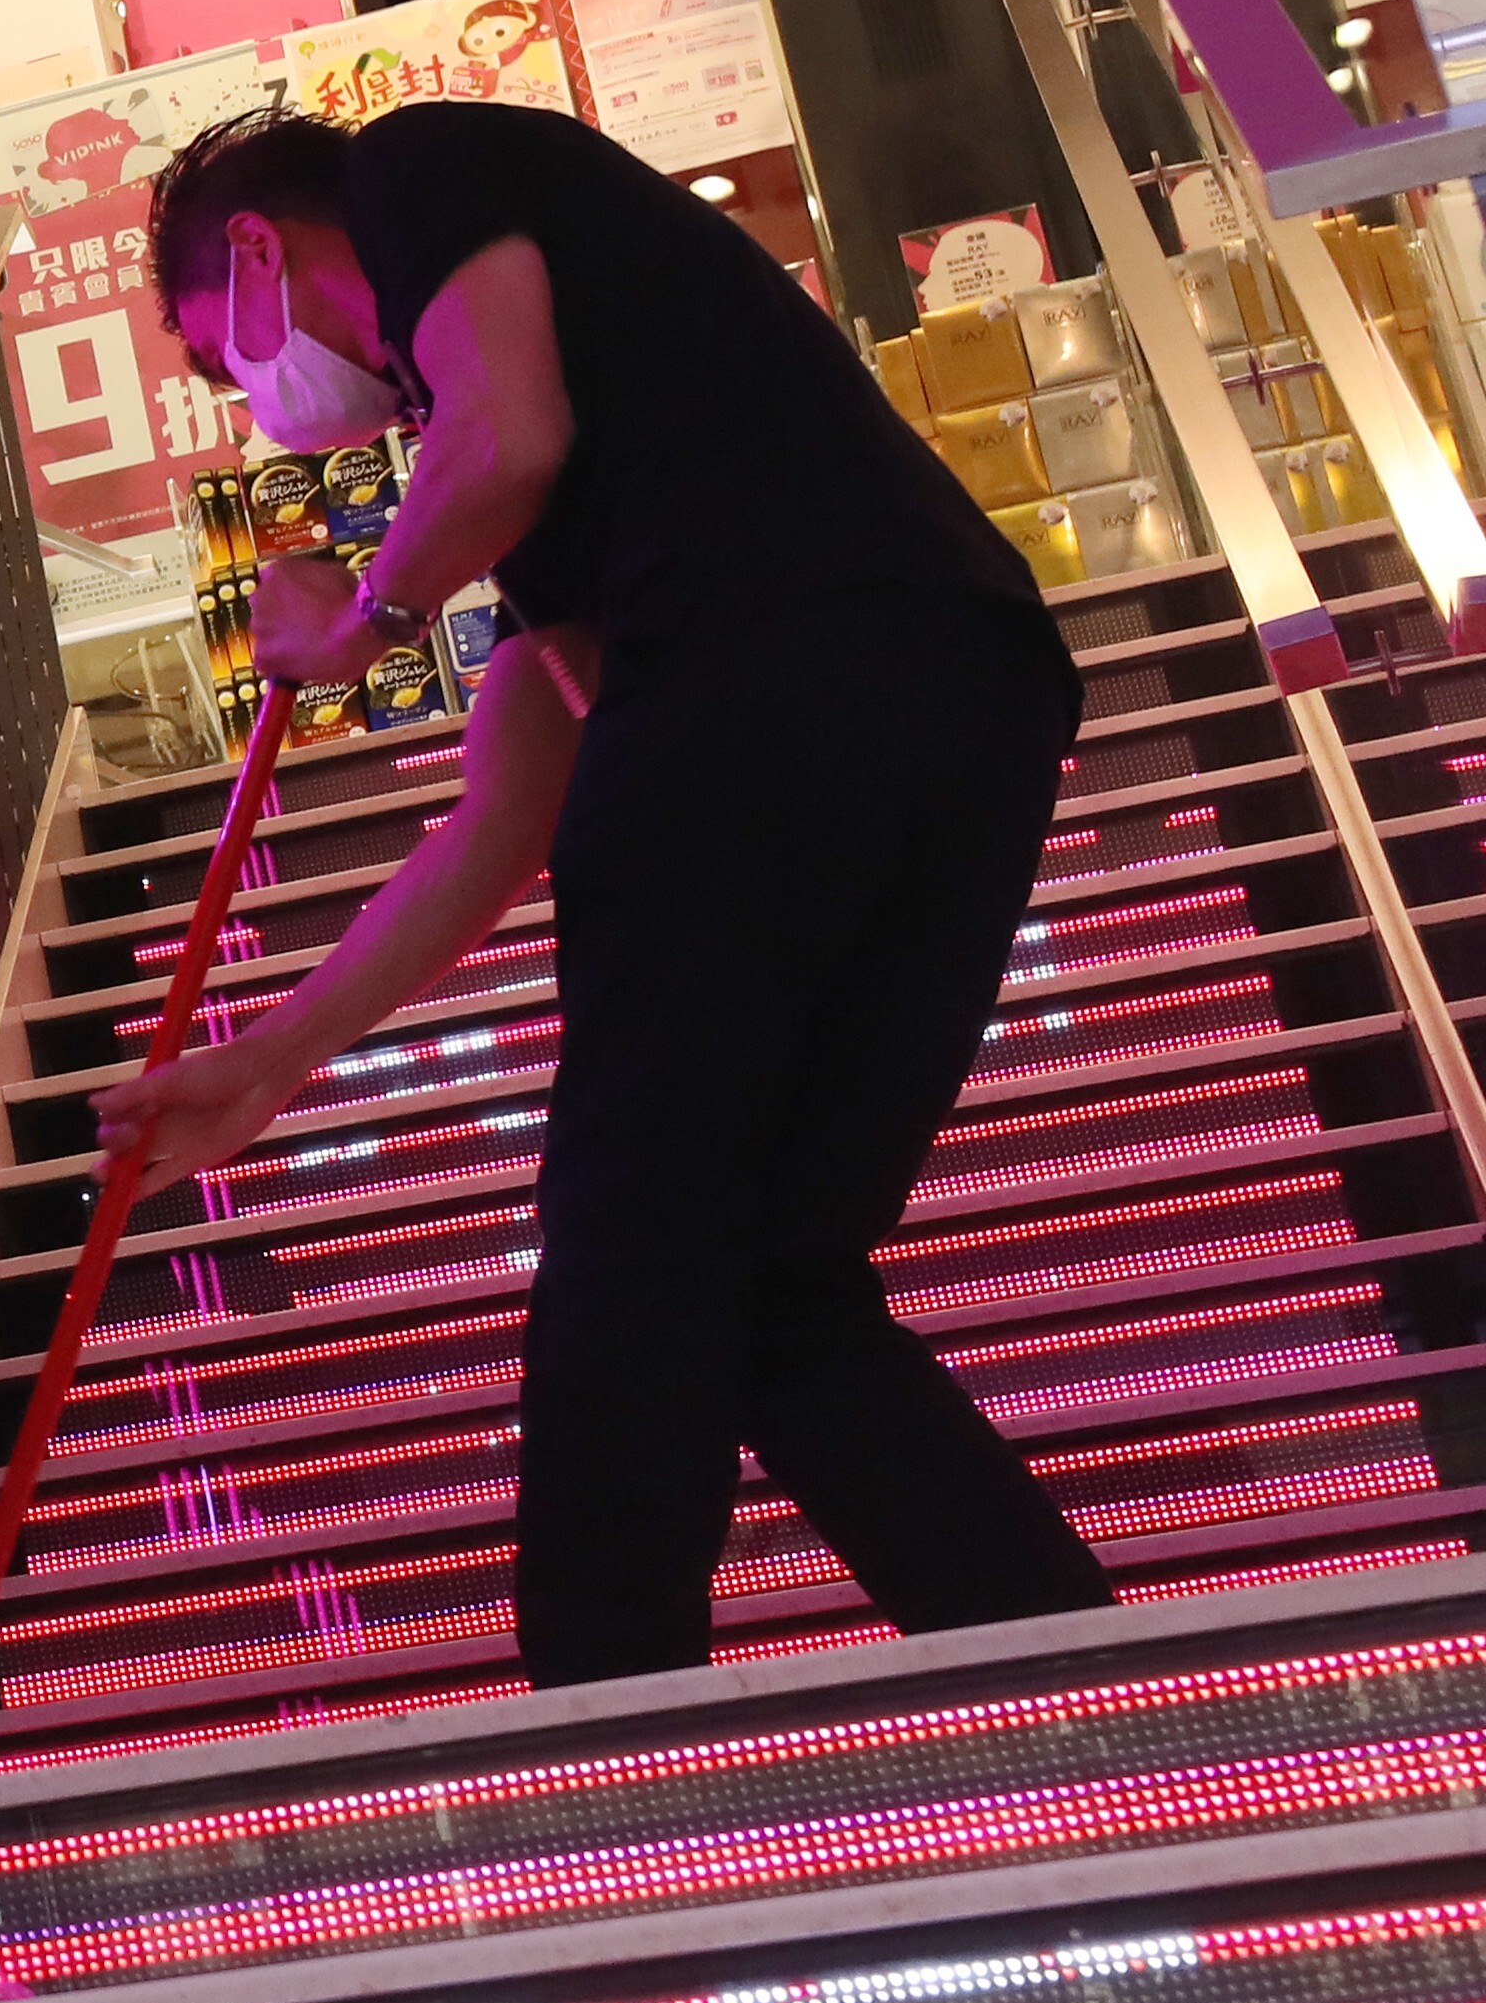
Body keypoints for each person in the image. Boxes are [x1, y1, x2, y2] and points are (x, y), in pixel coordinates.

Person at [101, 96, 1117, 1686]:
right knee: (777, 1283)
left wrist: (356, 623)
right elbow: (502, 824)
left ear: (252, 251)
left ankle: (598, 1733)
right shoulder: (607, 458)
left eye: (219, 355)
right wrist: (273, 1059)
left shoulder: (416, 168)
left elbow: (505, 434)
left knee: (631, 1240)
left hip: (779, 681)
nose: (255, 402)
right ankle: (1078, 1679)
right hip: (963, 699)